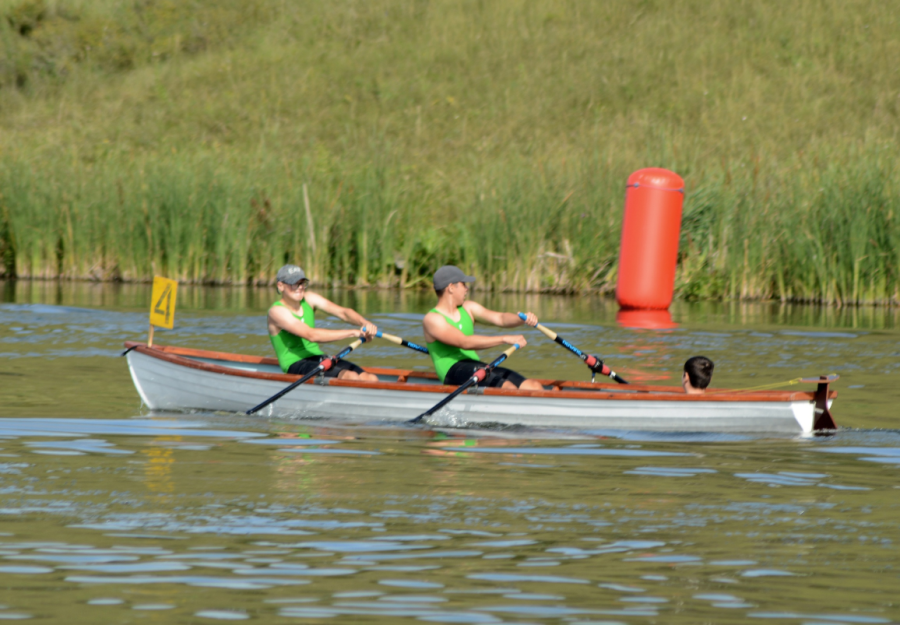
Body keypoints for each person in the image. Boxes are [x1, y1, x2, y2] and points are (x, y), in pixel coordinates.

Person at [422, 265, 544, 391]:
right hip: (452, 370)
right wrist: (504, 339)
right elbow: (464, 342)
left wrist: (522, 319)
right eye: (464, 284)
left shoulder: (469, 308)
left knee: (534, 386)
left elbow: (500, 318)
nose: (467, 289)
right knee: (508, 388)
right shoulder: (432, 319)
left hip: (476, 366)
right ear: (451, 288)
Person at [268, 264, 378, 382]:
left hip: (318, 358)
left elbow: (343, 312)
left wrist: (365, 323)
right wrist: (354, 333)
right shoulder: (276, 312)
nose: (299, 287)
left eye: (302, 283)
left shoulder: (310, 299)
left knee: (371, 378)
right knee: (351, 377)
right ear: (280, 286)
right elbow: (311, 335)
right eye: (294, 283)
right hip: (295, 364)